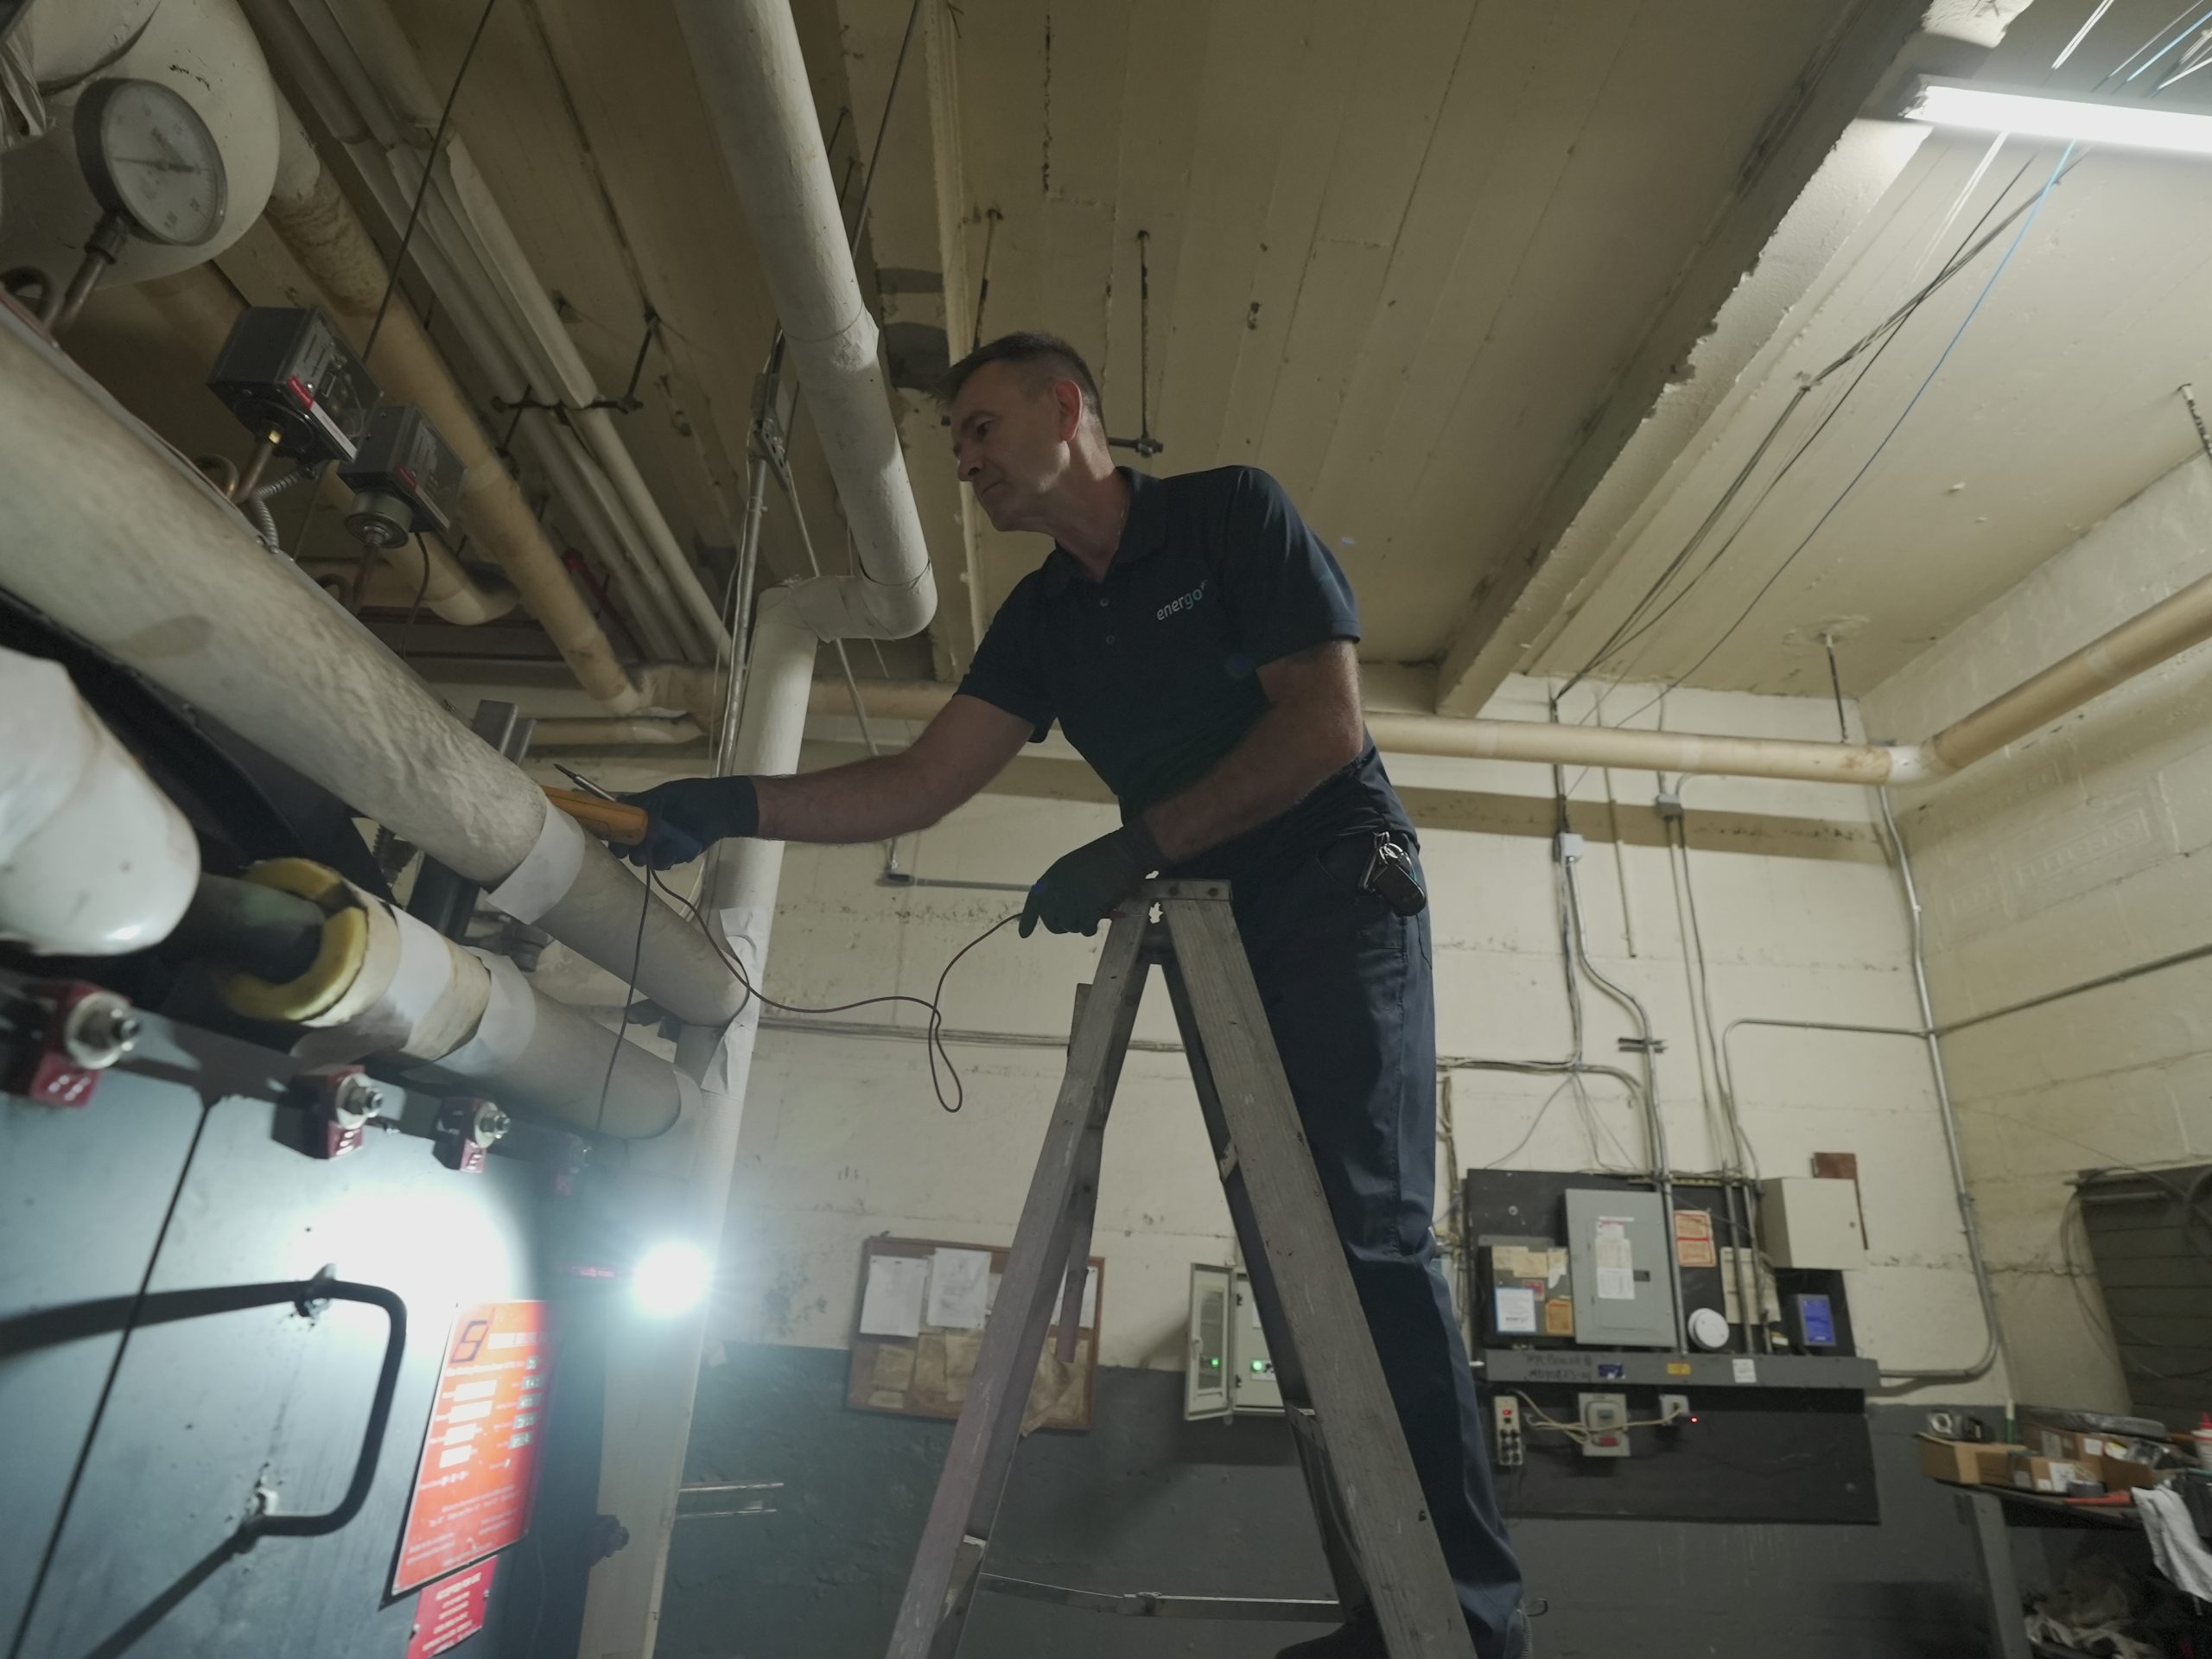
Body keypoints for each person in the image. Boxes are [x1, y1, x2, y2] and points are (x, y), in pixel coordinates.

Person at [625, 332, 1526, 1658]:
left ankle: (1467, 1622)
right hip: (1216, 898)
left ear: (1068, 409)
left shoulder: (1230, 514)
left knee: (1367, 1229)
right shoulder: (1048, 616)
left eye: (982, 428)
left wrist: (1139, 840)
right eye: (957, 446)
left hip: (1355, 866)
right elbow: (921, 783)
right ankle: (1386, 1607)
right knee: (1294, 1248)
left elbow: (1328, 728)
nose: (969, 460)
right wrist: (726, 806)